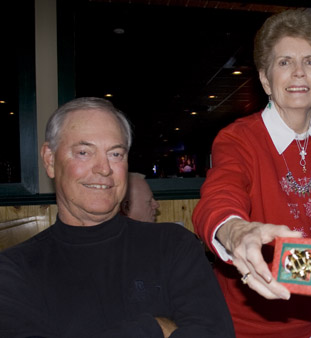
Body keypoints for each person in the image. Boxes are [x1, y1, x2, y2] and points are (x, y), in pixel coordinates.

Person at [0, 97, 235, 338]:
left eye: (115, 154)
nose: (104, 169)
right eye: (83, 152)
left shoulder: (174, 245)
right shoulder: (14, 271)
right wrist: (155, 328)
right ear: (50, 160)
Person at [192, 10, 311, 338]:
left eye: (310, 62)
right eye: (284, 62)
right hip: (256, 324)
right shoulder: (239, 139)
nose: (298, 72)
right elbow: (219, 197)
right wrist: (236, 231)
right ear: (266, 79)